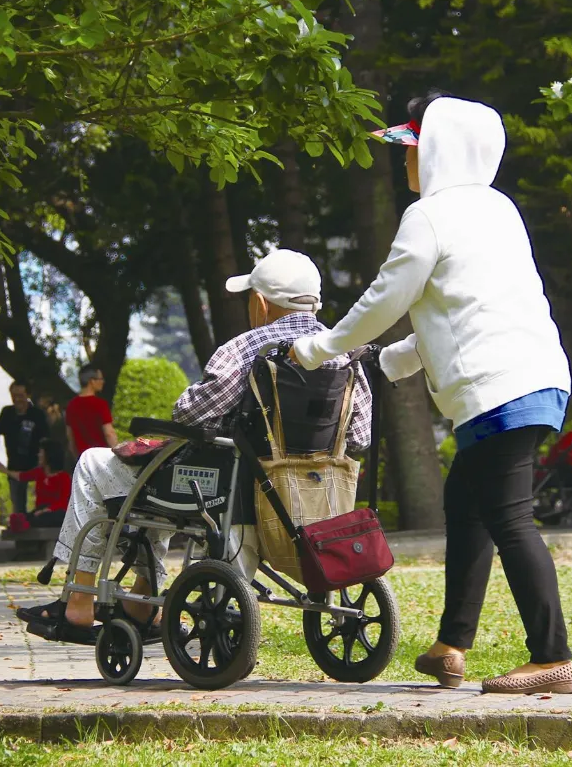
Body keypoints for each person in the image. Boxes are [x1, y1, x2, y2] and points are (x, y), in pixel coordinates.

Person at [290, 92, 572, 695]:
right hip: (536, 376)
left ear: (441, 149)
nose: (405, 161)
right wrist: (393, 360)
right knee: (467, 505)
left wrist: (322, 348)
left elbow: (388, 298)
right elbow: (464, 309)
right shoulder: (501, 210)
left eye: (413, 148)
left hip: (497, 390)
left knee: (509, 516)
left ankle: (553, 657)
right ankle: (451, 646)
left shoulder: (430, 216)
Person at [48, 249, 372, 631]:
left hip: (226, 491)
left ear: (261, 303)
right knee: (152, 479)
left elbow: (188, 414)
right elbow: (360, 436)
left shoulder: (247, 349)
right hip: (308, 499)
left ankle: (81, 599)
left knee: (97, 465)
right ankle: (140, 605)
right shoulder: (341, 352)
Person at [0, 380, 50, 516]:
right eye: (14, 395)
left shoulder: (37, 414)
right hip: (14, 465)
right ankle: (20, 529)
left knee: (40, 503)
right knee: (18, 506)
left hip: (36, 466)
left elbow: (46, 439)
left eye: (21, 395)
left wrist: (45, 462)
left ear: (28, 395)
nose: (17, 399)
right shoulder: (7, 412)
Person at [0, 438, 71, 527]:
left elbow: (63, 502)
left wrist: (47, 510)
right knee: (28, 517)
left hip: (55, 512)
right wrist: (4, 470)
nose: (39, 455)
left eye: (41, 452)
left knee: (50, 517)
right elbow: (22, 476)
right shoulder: (39, 472)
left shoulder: (64, 477)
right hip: (40, 511)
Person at [65, 364, 118, 459]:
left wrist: (78, 459)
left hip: (83, 460)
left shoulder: (71, 406)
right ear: (92, 381)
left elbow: (71, 439)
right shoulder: (100, 404)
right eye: (100, 379)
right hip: (102, 459)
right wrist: (118, 454)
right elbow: (109, 433)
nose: (103, 381)